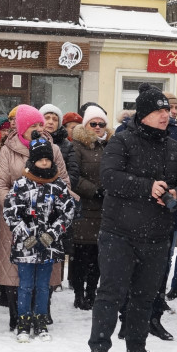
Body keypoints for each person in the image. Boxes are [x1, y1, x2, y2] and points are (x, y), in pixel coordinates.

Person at [87, 90, 177, 352]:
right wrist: (148, 187)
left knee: (145, 295)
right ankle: (99, 348)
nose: (164, 115)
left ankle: (136, 347)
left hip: (157, 234)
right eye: (158, 111)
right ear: (143, 114)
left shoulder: (174, 147)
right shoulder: (122, 140)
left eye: (167, 111)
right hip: (119, 232)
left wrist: (176, 192)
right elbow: (109, 178)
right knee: (111, 292)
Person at [0, 105, 74, 331]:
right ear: (22, 127)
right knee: (18, 272)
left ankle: (41, 313)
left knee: (44, 271)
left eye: (41, 124)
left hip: (48, 221)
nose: (39, 128)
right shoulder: (9, 149)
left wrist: (54, 200)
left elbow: (64, 180)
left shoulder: (53, 149)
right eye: (34, 125)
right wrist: (15, 204)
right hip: (18, 222)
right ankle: (18, 315)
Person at [69, 106, 109, 310]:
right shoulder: (77, 146)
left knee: (98, 257)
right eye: (93, 123)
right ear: (86, 125)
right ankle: (78, 293)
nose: (97, 127)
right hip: (84, 209)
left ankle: (92, 292)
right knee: (82, 255)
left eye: (101, 124)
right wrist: (95, 190)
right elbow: (73, 176)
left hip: (106, 211)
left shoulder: (110, 146)